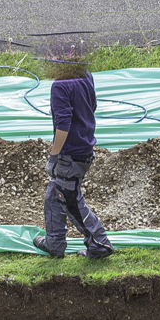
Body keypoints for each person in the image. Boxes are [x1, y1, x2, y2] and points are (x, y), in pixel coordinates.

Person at [34, 55, 114, 259]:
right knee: (54, 195)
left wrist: (54, 156)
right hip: (84, 146)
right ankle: (55, 243)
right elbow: (92, 106)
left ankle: (99, 243)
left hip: (71, 154)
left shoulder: (60, 86)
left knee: (70, 200)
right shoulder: (85, 74)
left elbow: (63, 126)